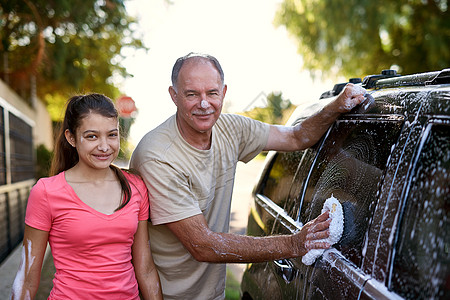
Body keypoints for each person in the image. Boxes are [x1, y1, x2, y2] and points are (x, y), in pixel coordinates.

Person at [130, 53, 366, 299]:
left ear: (223, 92)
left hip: (212, 294)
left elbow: (297, 136)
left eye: (211, 93)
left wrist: (337, 105)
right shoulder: (157, 156)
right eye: (192, 94)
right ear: (174, 95)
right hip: (163, 295)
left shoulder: (230, 128)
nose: (203, 103)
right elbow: (202, 245)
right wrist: (294, 244)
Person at [11, 94, 163, 300]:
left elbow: (145, 268)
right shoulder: (47, 192)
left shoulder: (135, 187)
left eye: (112, 135)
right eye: (92, 136)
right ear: (71, 137)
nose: (104, 146)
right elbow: (27, 277)